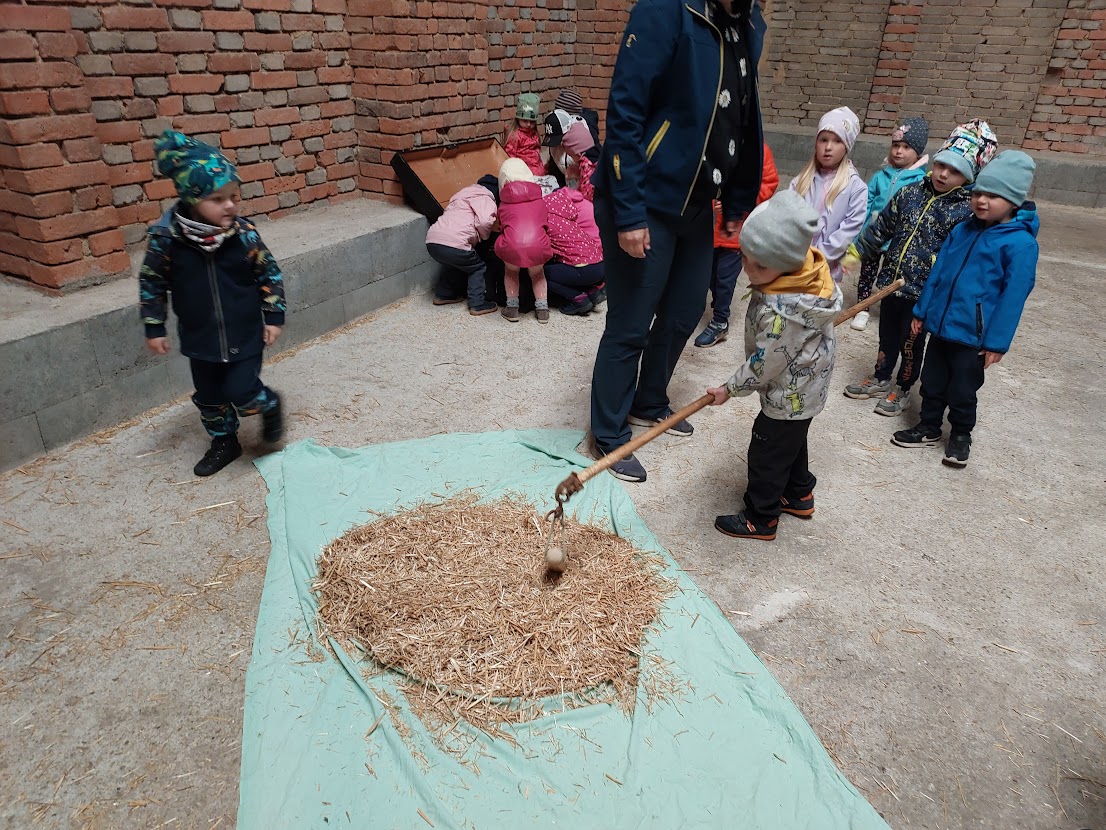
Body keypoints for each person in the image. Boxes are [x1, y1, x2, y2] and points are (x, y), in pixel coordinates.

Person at [591, 0, 767, 483]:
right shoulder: (665, 9)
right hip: (644, 196)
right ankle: (608, 434)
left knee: (685, 310)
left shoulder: (748, 21)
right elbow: (625, 109)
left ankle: (649, 401)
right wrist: (629, 212)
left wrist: (737, 199)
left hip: (697, 199)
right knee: (631, 321)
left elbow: (741, 112)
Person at [139, 130, 286, 477]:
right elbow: (152, 283)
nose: (230, 205)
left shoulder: (244, 235)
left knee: (241, 391)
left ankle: (268, 404)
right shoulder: (165, 240)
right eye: (218, 199)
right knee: (208, 397)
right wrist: (154, 326)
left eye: (234, 196)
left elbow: (269, 273)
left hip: (245, 333)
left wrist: (274, 315)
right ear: (191, 197)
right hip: (200, 338)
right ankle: (224, 442)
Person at [706, 190, 843, 541]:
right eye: (745, 258)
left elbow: (764, 363)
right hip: (807, 390)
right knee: (791, 440)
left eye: (760, 265)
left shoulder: (784, 312)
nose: (747, 270)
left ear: (788, 263)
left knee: (767, 448)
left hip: (790, 391)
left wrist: (729, 389)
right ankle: (798, 494)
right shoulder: (807, 277)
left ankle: (761, 516)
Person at [891, 150, 1038, 467]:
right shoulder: (961, 230)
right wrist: (921, 311)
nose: (982, 200)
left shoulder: (1021, 245)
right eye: (978, 193)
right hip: (940, 326)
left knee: (962, 388)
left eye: (993, 196)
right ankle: (929, 426)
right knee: (932, 381)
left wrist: (997, 342)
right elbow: (939, 273)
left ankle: (960, 435)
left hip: (974, 337)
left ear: (1014, 202)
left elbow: (1014, 298)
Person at [841, 119, 995, 416]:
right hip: (891, 285)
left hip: (924, 295)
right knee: (887, 336)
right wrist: (854, 254)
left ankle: (902, 387)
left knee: (910, 344)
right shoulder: (909, 193)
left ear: (969, 178)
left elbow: (960, 260)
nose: (944, 174)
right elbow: (880, 229)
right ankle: (881, 377)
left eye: (955, 171)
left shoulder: (965, 212)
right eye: (941, 165)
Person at [694, 141, 779, 348]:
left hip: (735, 233)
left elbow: (769, 182)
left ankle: (720, 321)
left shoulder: (757, 147)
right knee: (708, 276)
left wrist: (738, 202)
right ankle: (715, 304)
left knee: (725, 279)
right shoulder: (711, 139)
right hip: (705, 229)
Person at [850, 117, 930, 332]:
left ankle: (888, 309)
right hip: (874, 235)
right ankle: (862, 308)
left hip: (897, 239)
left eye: (906, 147)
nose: (899, 151)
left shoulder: (920, 181)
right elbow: (866, 204)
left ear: (918, 153)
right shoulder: (880, 176)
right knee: (867, 272)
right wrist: (860, 232)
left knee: (892, 275)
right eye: (895, 145)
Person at [788, 106, 868, 283]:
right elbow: (787, 217)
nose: (828, 147)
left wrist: (818, 256)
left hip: (825, 270)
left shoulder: (855, 188)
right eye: (823, 140)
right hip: (795, 263)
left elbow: (849, 229)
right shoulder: (800, 181)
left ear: (846, 146)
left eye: (837, 141)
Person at [425, 175, 500, 316]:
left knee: (453, 263)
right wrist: (484, 236)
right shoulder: (486, 198)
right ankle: (477, 304)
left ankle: (444, 294)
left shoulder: (459, 197)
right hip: (456, 243)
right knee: (477, 267)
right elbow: (484, 221)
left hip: (432, 241)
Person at [494, 159, 553, 322]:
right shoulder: (540, 201)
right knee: (538, 274)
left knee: (511, 271)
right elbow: (545, 223)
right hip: (538, 246)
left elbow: (501, 226)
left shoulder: (504, 204)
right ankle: (542, 309)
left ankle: (512, 307)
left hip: (512, 247)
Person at [544, 185, 606, 315]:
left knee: (540, 274)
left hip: (584, 267)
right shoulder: (569, 220)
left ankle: (578, 298)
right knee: (569, 267)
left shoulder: (547, 221)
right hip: (600, 264)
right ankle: (592, 291)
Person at [503, 93, 545, 177]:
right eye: (525, 121)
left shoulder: (534, 133)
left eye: (532, 122)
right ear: (518, 118)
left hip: (537, 173)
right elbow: (510, 158)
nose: (529, 124)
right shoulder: (514, 136)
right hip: (523, 174)